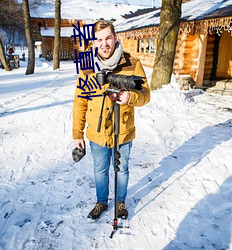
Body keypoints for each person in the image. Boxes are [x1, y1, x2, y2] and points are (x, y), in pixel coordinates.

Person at [72, 20, 150, 220]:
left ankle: (121, 202)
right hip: (97, 133)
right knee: (100, 170)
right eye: (99, 39)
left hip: (123, 130)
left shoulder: (132, 63)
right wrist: (77, 134)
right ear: (94, 42)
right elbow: (80, 102)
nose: (104, 43)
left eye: (108, 38)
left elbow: (146, 95)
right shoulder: (87, 67)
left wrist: (130, 97)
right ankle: (101, 202)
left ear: (115, 38)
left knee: (122, 168)